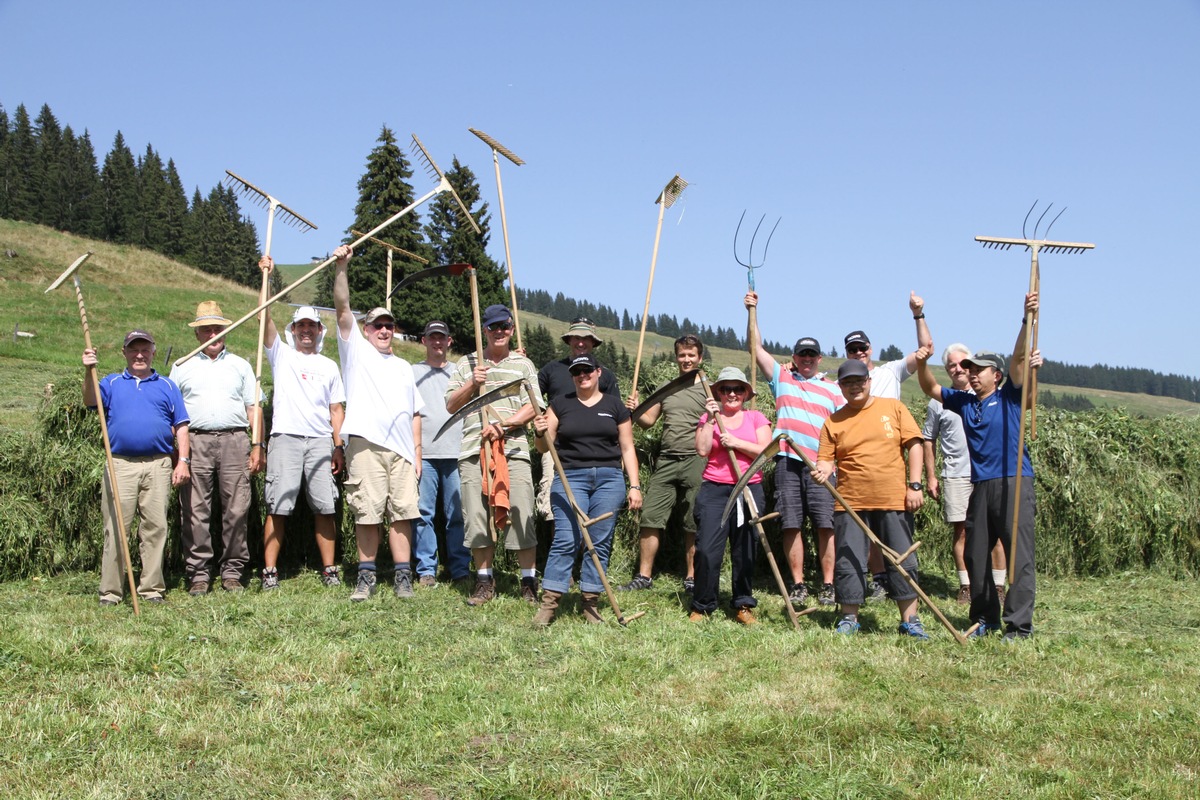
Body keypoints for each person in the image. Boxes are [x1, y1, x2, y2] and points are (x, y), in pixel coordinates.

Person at [916, 293, 1041, 640]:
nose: (969, 374)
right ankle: (986, 618)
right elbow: (929, 386)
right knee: (975, 552)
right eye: (967, 369)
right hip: (981, 484)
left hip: (1015, 480)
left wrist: (1025, 319)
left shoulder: (1011, 396)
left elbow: (1019, 358)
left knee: (1019, 556)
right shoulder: (965, 403)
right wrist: (923, 361)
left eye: (977, 369)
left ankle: (1019, 625)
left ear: (996, 375)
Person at [332, 244, 424, 602]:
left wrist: (417, 454)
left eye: (389, 325)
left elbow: (415, 413)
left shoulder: (404, 368)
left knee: (403, 514)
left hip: (402, 452)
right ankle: (366, 578)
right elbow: (342, 307)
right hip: (365, 445)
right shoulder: (355, 351)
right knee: (367, 512)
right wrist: (342, 268)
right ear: (366, 329)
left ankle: (403, 578)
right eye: (377, 325)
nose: (384, 330)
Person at [811, 359, 929, 639]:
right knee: (849, 560)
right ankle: (849, 618)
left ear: (868, 381)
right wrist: (823, 471)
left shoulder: (893, 408)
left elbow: (914, 445)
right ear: (840, 387)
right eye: (847, 383)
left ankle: (910, 620)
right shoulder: (833, 421)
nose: (854, 387)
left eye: (859, 381)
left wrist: (915, 485)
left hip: (893, 499)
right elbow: (826, 461)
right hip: (850, 503)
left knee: (902, 559)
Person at [745, 291, 844, 608]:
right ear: (795, 356)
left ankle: (828, 585)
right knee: (791, 522)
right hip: (788, 461)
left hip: (822, 464)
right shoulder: (782, 378)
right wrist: (753, 311)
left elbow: (845, 429)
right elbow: (756, 348)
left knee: (825, 524)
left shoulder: (833, 389)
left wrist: (832, 463)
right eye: (802, 354)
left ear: (820, 358)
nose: (807, 358)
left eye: (812, 355)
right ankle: (799, 584)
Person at [531, 353, 642, 625]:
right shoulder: (559, 404)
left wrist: (635, 486)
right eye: (577, 372)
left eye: (587, 370)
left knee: (600, 543)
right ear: (572, 376)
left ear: (598, 372)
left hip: (609, 479)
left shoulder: (615, 406)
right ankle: (549, 605)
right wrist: (538, 432)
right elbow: (544, 447)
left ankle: (590, 604)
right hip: (570, 478)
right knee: (566, 540)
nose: (583, 375)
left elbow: (627, 448)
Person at [445, 303, 543, 607]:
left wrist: (505, 425)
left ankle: (528, 582)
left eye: (504, 326)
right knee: (476, 516)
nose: (499, 332)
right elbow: (450, 405)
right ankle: (485, 581)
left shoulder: (523, 365)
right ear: (484, 331)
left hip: (513, 449)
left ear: (512, 329)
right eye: (493, 327)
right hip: (474, 449)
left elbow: (535, 404)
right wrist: (473, 383)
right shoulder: (468, 363)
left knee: (522, 512)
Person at [84, 330, 190, 605]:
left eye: (145, 349)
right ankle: (111, 591)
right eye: (134, 349)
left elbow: (181, 426)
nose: (139, 355)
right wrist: (89, 371)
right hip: (120, 465)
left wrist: (183, 461)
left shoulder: (167, 386)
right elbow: (90, 400)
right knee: (117, 527)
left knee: (155, 527)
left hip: (158, 464)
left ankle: (151, 588)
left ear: (154, 352)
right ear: (125, 353)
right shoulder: (110, 382)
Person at [257, 269, 346, 590]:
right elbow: (262, 318)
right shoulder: (281, 355)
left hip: (322, 442)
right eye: (301, 326)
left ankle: (329, 570)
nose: (306, 331)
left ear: (320, 331)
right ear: (292, 331)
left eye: (311, 326)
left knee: (325, 505)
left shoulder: (329, 366)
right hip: (285, 439)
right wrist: (266, 278)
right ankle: (269, 573)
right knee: (278, 505)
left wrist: (339, 445)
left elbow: (337, 410)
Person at [171, 301, 264, 595]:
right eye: (206, 329)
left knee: (237, 509)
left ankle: (233, 570)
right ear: (197, 334)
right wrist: (178, 453)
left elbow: (254, 408)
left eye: (218, 328)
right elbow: (171, 412)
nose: (213, 333)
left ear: (226, 331)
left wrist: (257, 444)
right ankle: (199, 573)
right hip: (195, 441)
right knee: (196, 510)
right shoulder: (181, 366)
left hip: (235, 440)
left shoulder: (241, 365)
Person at [843, 291, 933, 600]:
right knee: (865, 528)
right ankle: (879, 579)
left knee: (893, 529)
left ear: (870, 349)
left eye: (862, 348)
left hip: (891, 460)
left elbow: (925, 350)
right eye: (851, 349)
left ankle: (903, 585)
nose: (858, 353)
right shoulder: (843, 383)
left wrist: (918, 314)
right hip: (858, 464)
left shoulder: (890, 371)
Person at [620, 334, 707, 593]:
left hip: (697, 460)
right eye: (682, 355)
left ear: (700, 357)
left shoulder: (710, 388)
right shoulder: (666, 387)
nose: (687, 359)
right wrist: (635, 410)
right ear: (676, 357)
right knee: (650, 516)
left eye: (691, 355)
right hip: (667, 459)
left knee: (693, 519)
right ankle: (644, 576)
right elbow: (649, 420)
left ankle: (692, 577)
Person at [922, 342, 1007, 605]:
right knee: (961, 531)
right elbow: (928, 439)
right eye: (952, 365)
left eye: (963, 364)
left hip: (988, 473)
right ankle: (966, 585)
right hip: (956, 474)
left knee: (995, 531)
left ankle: (999, 585)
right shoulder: (939, 403)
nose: (958, 369)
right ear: (947, 370)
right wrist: (932, 476)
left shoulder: (990, 396)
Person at [689, 367, 773, 625]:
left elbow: (767, 453)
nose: (732, 393)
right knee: (706, 549)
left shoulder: (756, 418)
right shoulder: (709, 418)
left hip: (748, 486)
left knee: (745, 548)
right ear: (719, 393)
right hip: (715, 489)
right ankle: (703, 604)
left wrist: (736, 443)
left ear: (746, 393)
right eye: (726, 389)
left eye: (738, 388)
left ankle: (743, 604)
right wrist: (711, 419)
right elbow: (703, 450)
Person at [535, 317, 620, 520]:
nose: (580, 343)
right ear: (569, 341)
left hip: (596, 452)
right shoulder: (551, 370)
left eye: (586, 338)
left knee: (593, 513)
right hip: (555, 447)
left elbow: (618, 418)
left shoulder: (603, 375)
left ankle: (586, 552)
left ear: (593, 343)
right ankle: (563, 547)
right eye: (576, 338)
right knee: (556, 508)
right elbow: (532, 402)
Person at [413, 320, 472, 587]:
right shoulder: (413, 372)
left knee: (457, 515)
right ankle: (426, 569)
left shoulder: (462, 373)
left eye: (442, 338)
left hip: (456, 452)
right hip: (424, 453)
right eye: (432, 337)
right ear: (423, 341)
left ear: (449, 342)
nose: (437, 342)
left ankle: (459, 567)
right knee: (423, 513)